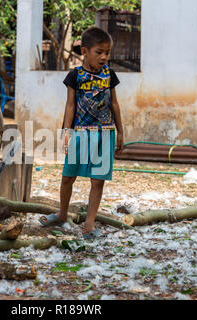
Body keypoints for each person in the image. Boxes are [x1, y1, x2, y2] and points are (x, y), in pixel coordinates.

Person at [39, 27, 124, 239]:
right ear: (85, 51)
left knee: (98, 180)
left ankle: (89, 222)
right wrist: (66, 130)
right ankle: (62, 213)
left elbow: (114, 104)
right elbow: (70, 105)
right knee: (68, 176)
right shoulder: (74, 76)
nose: (104, 57)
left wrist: (121, 132)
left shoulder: (109, 75)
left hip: (104, 133)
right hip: (79, 132)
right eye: (99, 52)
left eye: (107, 52)